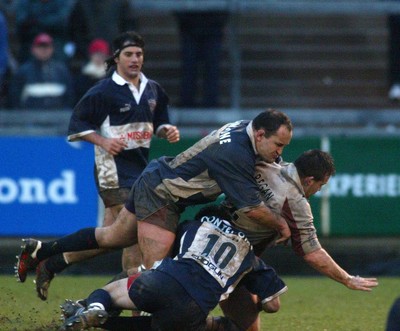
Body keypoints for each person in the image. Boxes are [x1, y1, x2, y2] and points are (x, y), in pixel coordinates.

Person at [16, 109, 293, 288]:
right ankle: (91, 306)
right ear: (259, 134)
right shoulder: (235, 153)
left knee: (112, 237)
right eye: (278, 145)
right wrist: (281, 224)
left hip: (157, 177)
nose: (279, 153)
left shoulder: (245, 130)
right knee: (154, 277)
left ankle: (45, 254)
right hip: (163, 194)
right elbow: (252, 208)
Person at [33, 31, 180, 301]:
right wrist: (102, 140)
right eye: (129, 54)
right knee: (137, 231)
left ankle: (50, 261)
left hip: (140, 172)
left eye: (139, 54)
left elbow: (160, 119)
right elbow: (77, 124)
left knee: (111, 237)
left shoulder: (152, 89)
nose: (135, 59)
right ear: (116, 58)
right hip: (111, 170)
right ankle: (135, 298)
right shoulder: (103, 91)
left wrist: (166, 129)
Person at [218, 149, 379, 331]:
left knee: (258, 316)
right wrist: (347, 279)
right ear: (309, 180)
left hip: (212, 230)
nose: (319, 190)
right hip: (230, 255)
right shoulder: (295, 201)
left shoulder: (270, 166)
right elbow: (312, 252)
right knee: (189, 317)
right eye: (321, 185)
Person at [58, 204, 287, 331]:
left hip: (164, 281)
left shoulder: (192, 226)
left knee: (110, 291)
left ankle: (92, 307)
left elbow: (163, 250)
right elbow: (273, 306)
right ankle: (103, 321)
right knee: (159, 326)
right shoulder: (250, 255)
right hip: (195, 309)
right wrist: (256, 302)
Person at [174, 10, 229, 108]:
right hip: (190, 27)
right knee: (189, 68)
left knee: (211, 68)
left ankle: (210, 104)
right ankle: (188, 103)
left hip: (212, 27)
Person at [8, 32, 74, 109]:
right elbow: (14, 99)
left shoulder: (62, 71)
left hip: (58, 118)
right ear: (33, 49)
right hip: (29, 118)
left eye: (46, 46)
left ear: (52, 49)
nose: (43, 50)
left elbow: (70, 98)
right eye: (40, 46)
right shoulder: (23, 71)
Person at [73, 38, 110, 103]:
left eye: (102, 55)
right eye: (97, 54)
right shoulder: (82, 74)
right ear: (91, 55)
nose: (99, 58)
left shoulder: (112, 74)